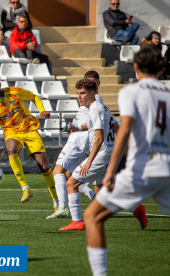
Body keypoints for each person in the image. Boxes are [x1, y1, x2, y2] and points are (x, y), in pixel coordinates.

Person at [84, 47, 170, 276]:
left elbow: (125, 130)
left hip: (142, 169)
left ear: (135, 68)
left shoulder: (131, 92)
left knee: (92, 217)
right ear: (161, 68)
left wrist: (110, 171)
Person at [0, 74, 59, 210]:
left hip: (30, 129)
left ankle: (57, 202)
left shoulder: (14, 92)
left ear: (0, 84)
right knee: (11, 149)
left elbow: (33, 97)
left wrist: (42, 110)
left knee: (45, 167)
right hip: (12, 132)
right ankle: (25, 188)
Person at [58, 79, 115, 231]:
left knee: (71, 183)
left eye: (82, 93)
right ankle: (136, 208)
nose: (79, 97)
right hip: (107, 154)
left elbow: (99, 138)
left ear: (93, 93)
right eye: (77, 93)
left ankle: (76, 222)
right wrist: (77, 128)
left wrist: (89, 162)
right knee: (102, 189)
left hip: (99, 156)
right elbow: (96, 126)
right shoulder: (99, 107)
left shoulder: (95, 108)